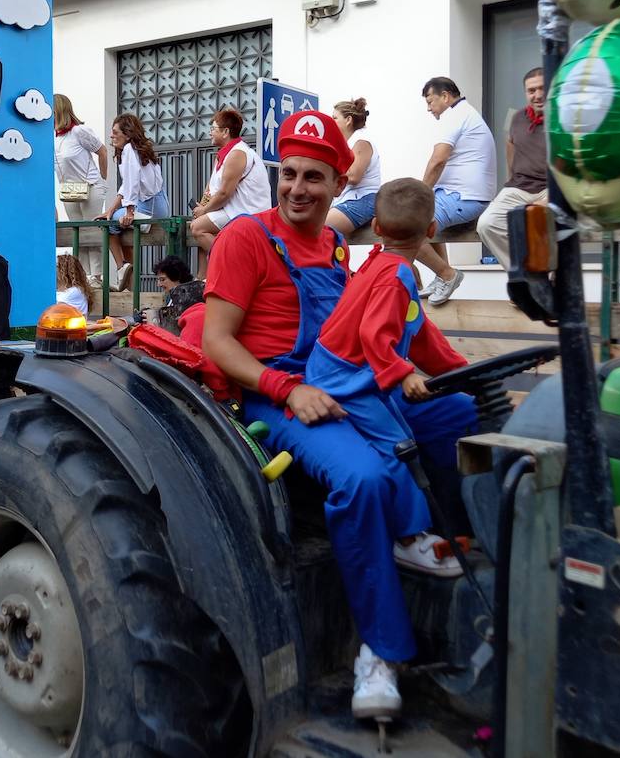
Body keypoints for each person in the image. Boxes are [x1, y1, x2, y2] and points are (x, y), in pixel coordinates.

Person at [203, 111, 476, 721]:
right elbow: (218, 343)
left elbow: (379, 321)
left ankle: (441, 547)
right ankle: (378, 650)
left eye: (315, 178)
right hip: (275, 395)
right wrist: (285, 389)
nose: (299, 188)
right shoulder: (245, 238)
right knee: (363, 479)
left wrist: (445, 369)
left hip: (343, 383)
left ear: (337, 187)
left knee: (457, 413)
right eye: (290, 175)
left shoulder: (332, 243)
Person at [306, 176, 479, 578]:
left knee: (421, 429)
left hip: (346, 371)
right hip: (342, 380)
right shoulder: (396, 277)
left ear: (377, 229)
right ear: (432, 231)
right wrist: (402, 375)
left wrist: (463, 372)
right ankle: (408, 538)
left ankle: (450, 523)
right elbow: (374, 334)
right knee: (399, 446)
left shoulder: (383, 266)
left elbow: (416, 334)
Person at [417, 77, 497, 305]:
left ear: (445, 96)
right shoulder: (464, 113)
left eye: (430, 101)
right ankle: (441, 275)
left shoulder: (455, 115)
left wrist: (420, 193)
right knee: (424, 217)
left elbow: (437, 160)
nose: (429, 108)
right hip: (458, 194)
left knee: (409, 227)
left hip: (465, 197)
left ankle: (448, 275)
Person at [476, 67, 547, 270]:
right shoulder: (515, 117)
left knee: (538, 222)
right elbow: (510, 145)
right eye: (532, 90)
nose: (538, 94)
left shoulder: (564, 118)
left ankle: (547, 276)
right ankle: (523, 276)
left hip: (551, 189)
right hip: (519, 187)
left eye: (543, 88)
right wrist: (509, 182)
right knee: (486, 224)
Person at [190, 107, 272, 275]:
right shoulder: (224, 155)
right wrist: (201, 207)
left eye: (213, 128)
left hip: (248, 213)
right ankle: (203, 279)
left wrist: (204, 210)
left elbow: (224, 193)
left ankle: (233, 265)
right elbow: (211, 189)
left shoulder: (237, 154)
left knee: (198, 228)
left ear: (225, 131)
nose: (210, 133)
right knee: (200, 231)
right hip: (234, 210)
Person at [100, 113, 170, 291]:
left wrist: (129, 212)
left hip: (149, 205)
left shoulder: (130, 150)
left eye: (115, 132)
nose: (111, 136)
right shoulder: (134, 150)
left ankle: (121, 268)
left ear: (128, 134)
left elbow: (132, 183)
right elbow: (126, 186)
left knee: (109, 225)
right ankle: (128, 280)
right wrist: (111, 209)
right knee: (119, 228)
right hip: (156, 203)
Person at [54, 94, 110, 289]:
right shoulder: (53, 137)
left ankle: (96, 275)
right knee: (77, 231)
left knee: (91, 230)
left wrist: (103, 178)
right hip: (69, 190)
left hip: (90, 185)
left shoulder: (79, 132)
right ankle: (83, 275)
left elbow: (102, 151)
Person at [325, 97, 381, 237]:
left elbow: (354, 175)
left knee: (319, 229)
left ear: (348, 120)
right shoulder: (347, 143)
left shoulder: (360, 141)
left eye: (335, 118)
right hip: (352, 199)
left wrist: (327, 173)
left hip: (363, 199)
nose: (331, 122)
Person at [56, 253, 94, 318]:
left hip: (70, 326)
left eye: (56, 266)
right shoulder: (61, 291)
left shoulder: (75, 291)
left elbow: (55, 308)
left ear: (64, 271)